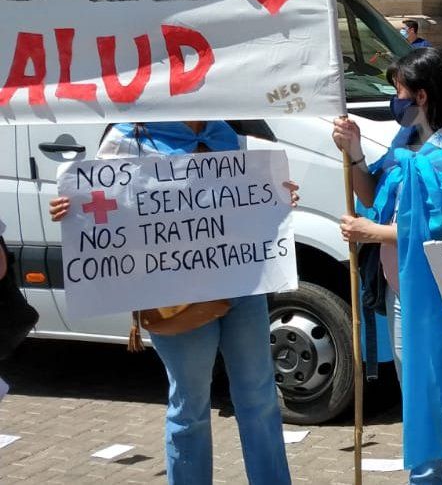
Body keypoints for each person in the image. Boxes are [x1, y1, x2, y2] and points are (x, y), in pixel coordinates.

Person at [48, 121, 297, 485]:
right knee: (190, 409)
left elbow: (262, 193)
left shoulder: (229, 131)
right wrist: (70, 210)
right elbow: (97, 202)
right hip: (176, 298)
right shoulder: (128, 137)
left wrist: (282, 196)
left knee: (260, 400)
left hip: (243, 286)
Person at [333, 47, 442, 485]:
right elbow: (373, 198)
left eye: (398, 92)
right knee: (420, 397)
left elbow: (439, 230)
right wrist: (352, 153)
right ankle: (426, 478)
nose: (395, 101)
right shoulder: (404, 143)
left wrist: (372, 233)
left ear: (422, 96)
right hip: (405, 293)